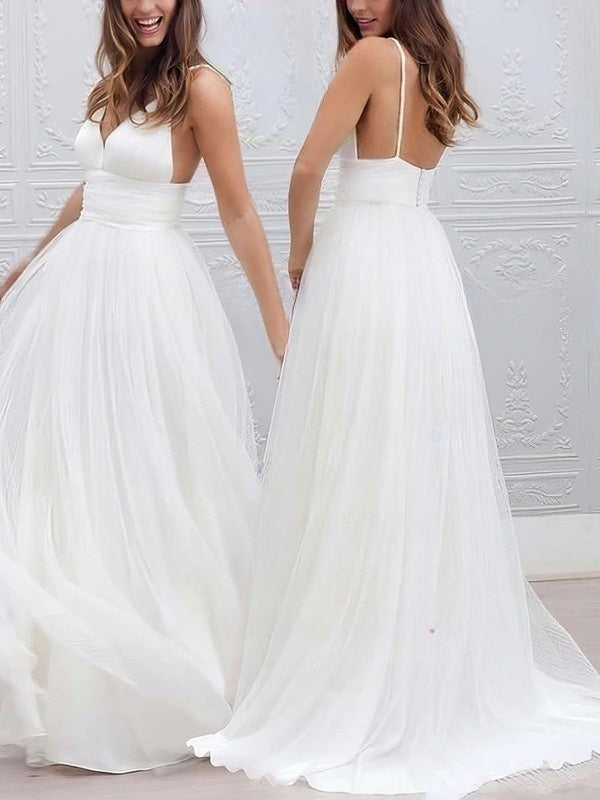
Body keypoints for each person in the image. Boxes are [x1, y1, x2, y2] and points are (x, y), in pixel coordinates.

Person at [188, 1, 600, 796]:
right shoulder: (437, 66)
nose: (358, 5)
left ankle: (353, 656)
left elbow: (307, 168)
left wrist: (300, 254)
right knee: (407, 452)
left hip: (365, 259)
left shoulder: (372, 59)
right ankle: (407, 646)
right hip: (420, 259)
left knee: (352, 449)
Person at [0, 0, 287, 773]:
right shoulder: (115, 82)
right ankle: (72, 687)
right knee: (74, 471)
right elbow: (91, 187)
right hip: (78, 291)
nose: (144, 5)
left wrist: (279, 326)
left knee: (148, 471)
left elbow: (238, 211)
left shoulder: (203, 88)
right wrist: (32, 260)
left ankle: (164, 680)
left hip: (146, 292)